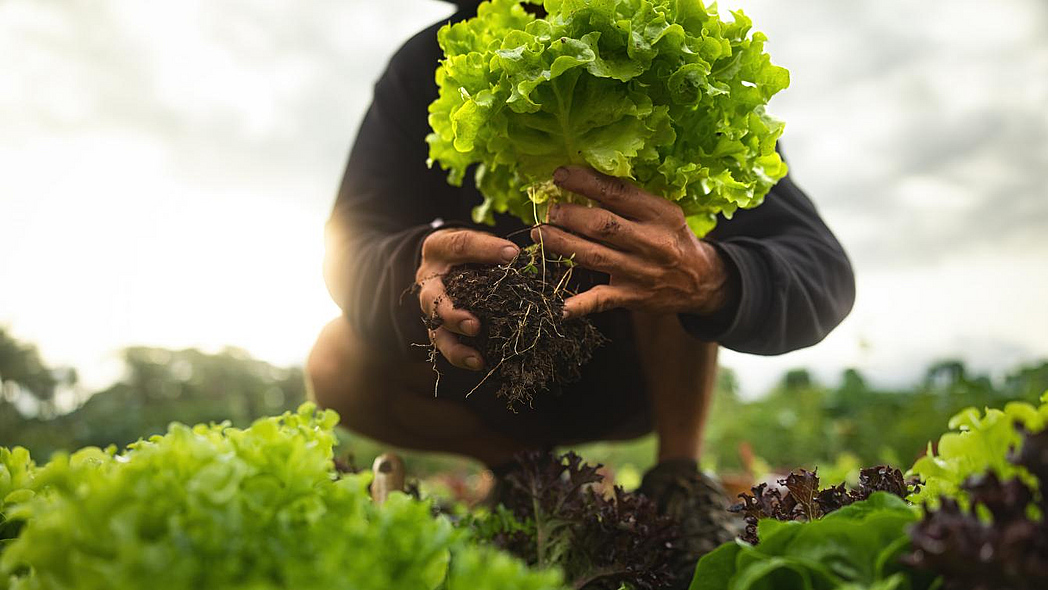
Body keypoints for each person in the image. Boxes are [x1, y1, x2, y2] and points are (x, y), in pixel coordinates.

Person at [307, 0, 854, 567]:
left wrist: (710, 277)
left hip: (642, 374)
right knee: (333, 363)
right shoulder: (428, 64)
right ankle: (529, 474)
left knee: (668, 235)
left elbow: (821, 268)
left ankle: (679, 478)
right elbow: (350, 244)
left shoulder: (665, 40)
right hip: (492, 371)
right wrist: (411, 269)